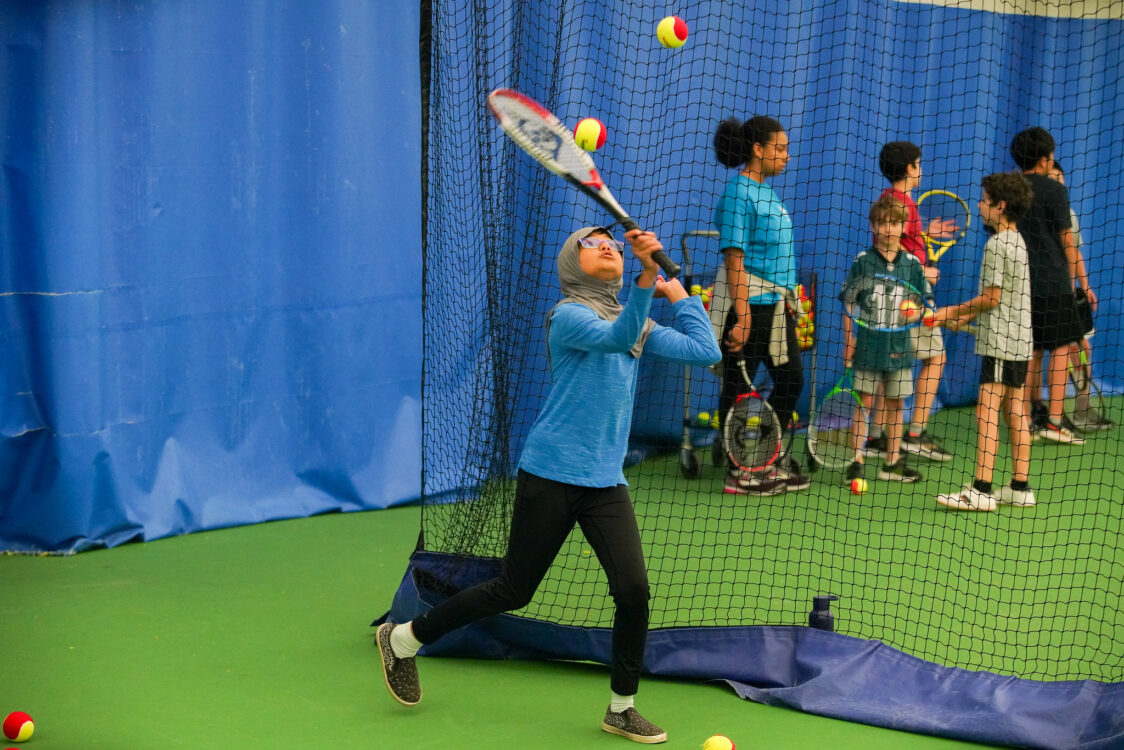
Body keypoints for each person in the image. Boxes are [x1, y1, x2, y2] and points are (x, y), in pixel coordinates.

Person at [375, 226, 721, 745]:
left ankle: (621, 708)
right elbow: (616, 338)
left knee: (633, 591)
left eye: (613, 243)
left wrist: (680, 293)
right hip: (550, 473)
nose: (608, 246)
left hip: (605, 482)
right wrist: (651, 275)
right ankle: (402, 639)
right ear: (571, 263)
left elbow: (705, 350)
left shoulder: (637, 322)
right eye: (593, 242)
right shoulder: (568, 316)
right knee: (514, 589)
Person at [711, 114, 810, 495]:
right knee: (738, 386)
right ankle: (740, 471)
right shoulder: (738, 192)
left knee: (791, 380)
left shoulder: (767, 192)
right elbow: (734, 258)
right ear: (757, 149)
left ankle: (767, 458)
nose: (786, 156)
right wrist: (743, 318)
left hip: (775, 305)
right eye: (780, 149)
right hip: (747, 306)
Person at [933, 173, 1036, 511]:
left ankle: (981, 490)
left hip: (1001, 344)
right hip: (1020, 341)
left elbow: (991, 298)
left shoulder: (995, 245)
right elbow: (1005, 301)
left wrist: (951, 309)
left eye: (984, 199)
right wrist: (963, 320)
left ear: (1000, 205)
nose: (979, 205)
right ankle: (1020, 487)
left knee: (986, 411)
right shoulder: (1018, 240)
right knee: (1015, 410)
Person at [864, 142, 952, 462]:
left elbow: (896, 239)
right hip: (908, 296)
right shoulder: (903, 203)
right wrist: (923, 270)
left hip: (891, 297)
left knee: (890, 364)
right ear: (910, 168)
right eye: (918, 164)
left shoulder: (892, 201)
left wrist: (927, 230)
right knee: (935, 358)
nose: (921, 169)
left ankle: (876, 437)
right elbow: (892, 252)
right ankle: (914, 434)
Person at [840, 195, 926, 485]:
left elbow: (921, 304)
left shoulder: (912, 264)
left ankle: (892, 462)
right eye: (882, 223)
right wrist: (849, 339)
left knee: (896, 404)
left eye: (895, 223)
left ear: (904, 226)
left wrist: (915, 313)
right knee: (863, 402)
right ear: (873, 225)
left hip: (900, 348)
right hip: (867, 346)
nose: (888, 229)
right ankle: (856, 460)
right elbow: (849, 303)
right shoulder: (863, 262)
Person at [1010, 127, 1087, 445]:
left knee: (1029, 352)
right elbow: (1067, 240)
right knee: (1059, 349)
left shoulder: (1010, 188)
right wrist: (1072, 283)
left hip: (1018, 283)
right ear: (1044, 161)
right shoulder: (1056, 191)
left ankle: (1025, 419)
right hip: (1054, 282)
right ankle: (1054, 422)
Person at [1046, 161, 1114, 432]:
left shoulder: (1069, 215)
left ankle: (1082, 409)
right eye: (1050, 178)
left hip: (1067, 294)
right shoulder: (1032, 213)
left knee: (1081, 348)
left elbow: (1075, 253)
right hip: (1042, 293)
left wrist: (1084, 286)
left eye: (1059, 178)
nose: (1057, 183)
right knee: (1043, 353)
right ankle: (1041, 415)